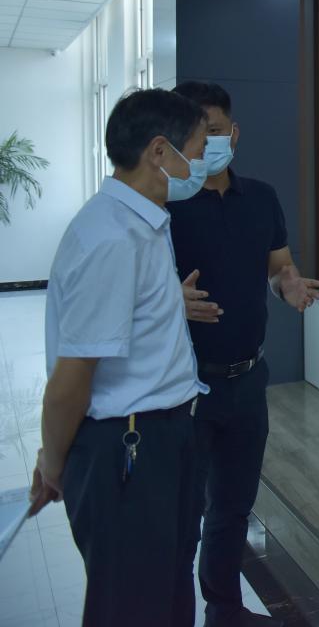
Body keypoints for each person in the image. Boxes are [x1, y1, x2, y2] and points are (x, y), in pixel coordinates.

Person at [30, 88, 211, 626]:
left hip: (165, 438)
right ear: (159, 151)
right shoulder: (111, 237)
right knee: (131, 606)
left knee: (167, 593)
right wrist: (53, 463)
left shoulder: (142, 222)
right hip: (129, 452)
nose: (201, 166)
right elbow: (72, 378)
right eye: (197, 152)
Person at [168, 81, 319, 627]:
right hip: (186, 388)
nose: (206, 142)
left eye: (214, 130)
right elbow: (137, 287)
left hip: (248, 380)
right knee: (182, 517)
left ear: (233, 134)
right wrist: (170, 298)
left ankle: (225, 611)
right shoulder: (166, 205)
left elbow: (279, 266)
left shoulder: (261, 197)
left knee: (232, 509)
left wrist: (289, 285)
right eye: (195, 133)